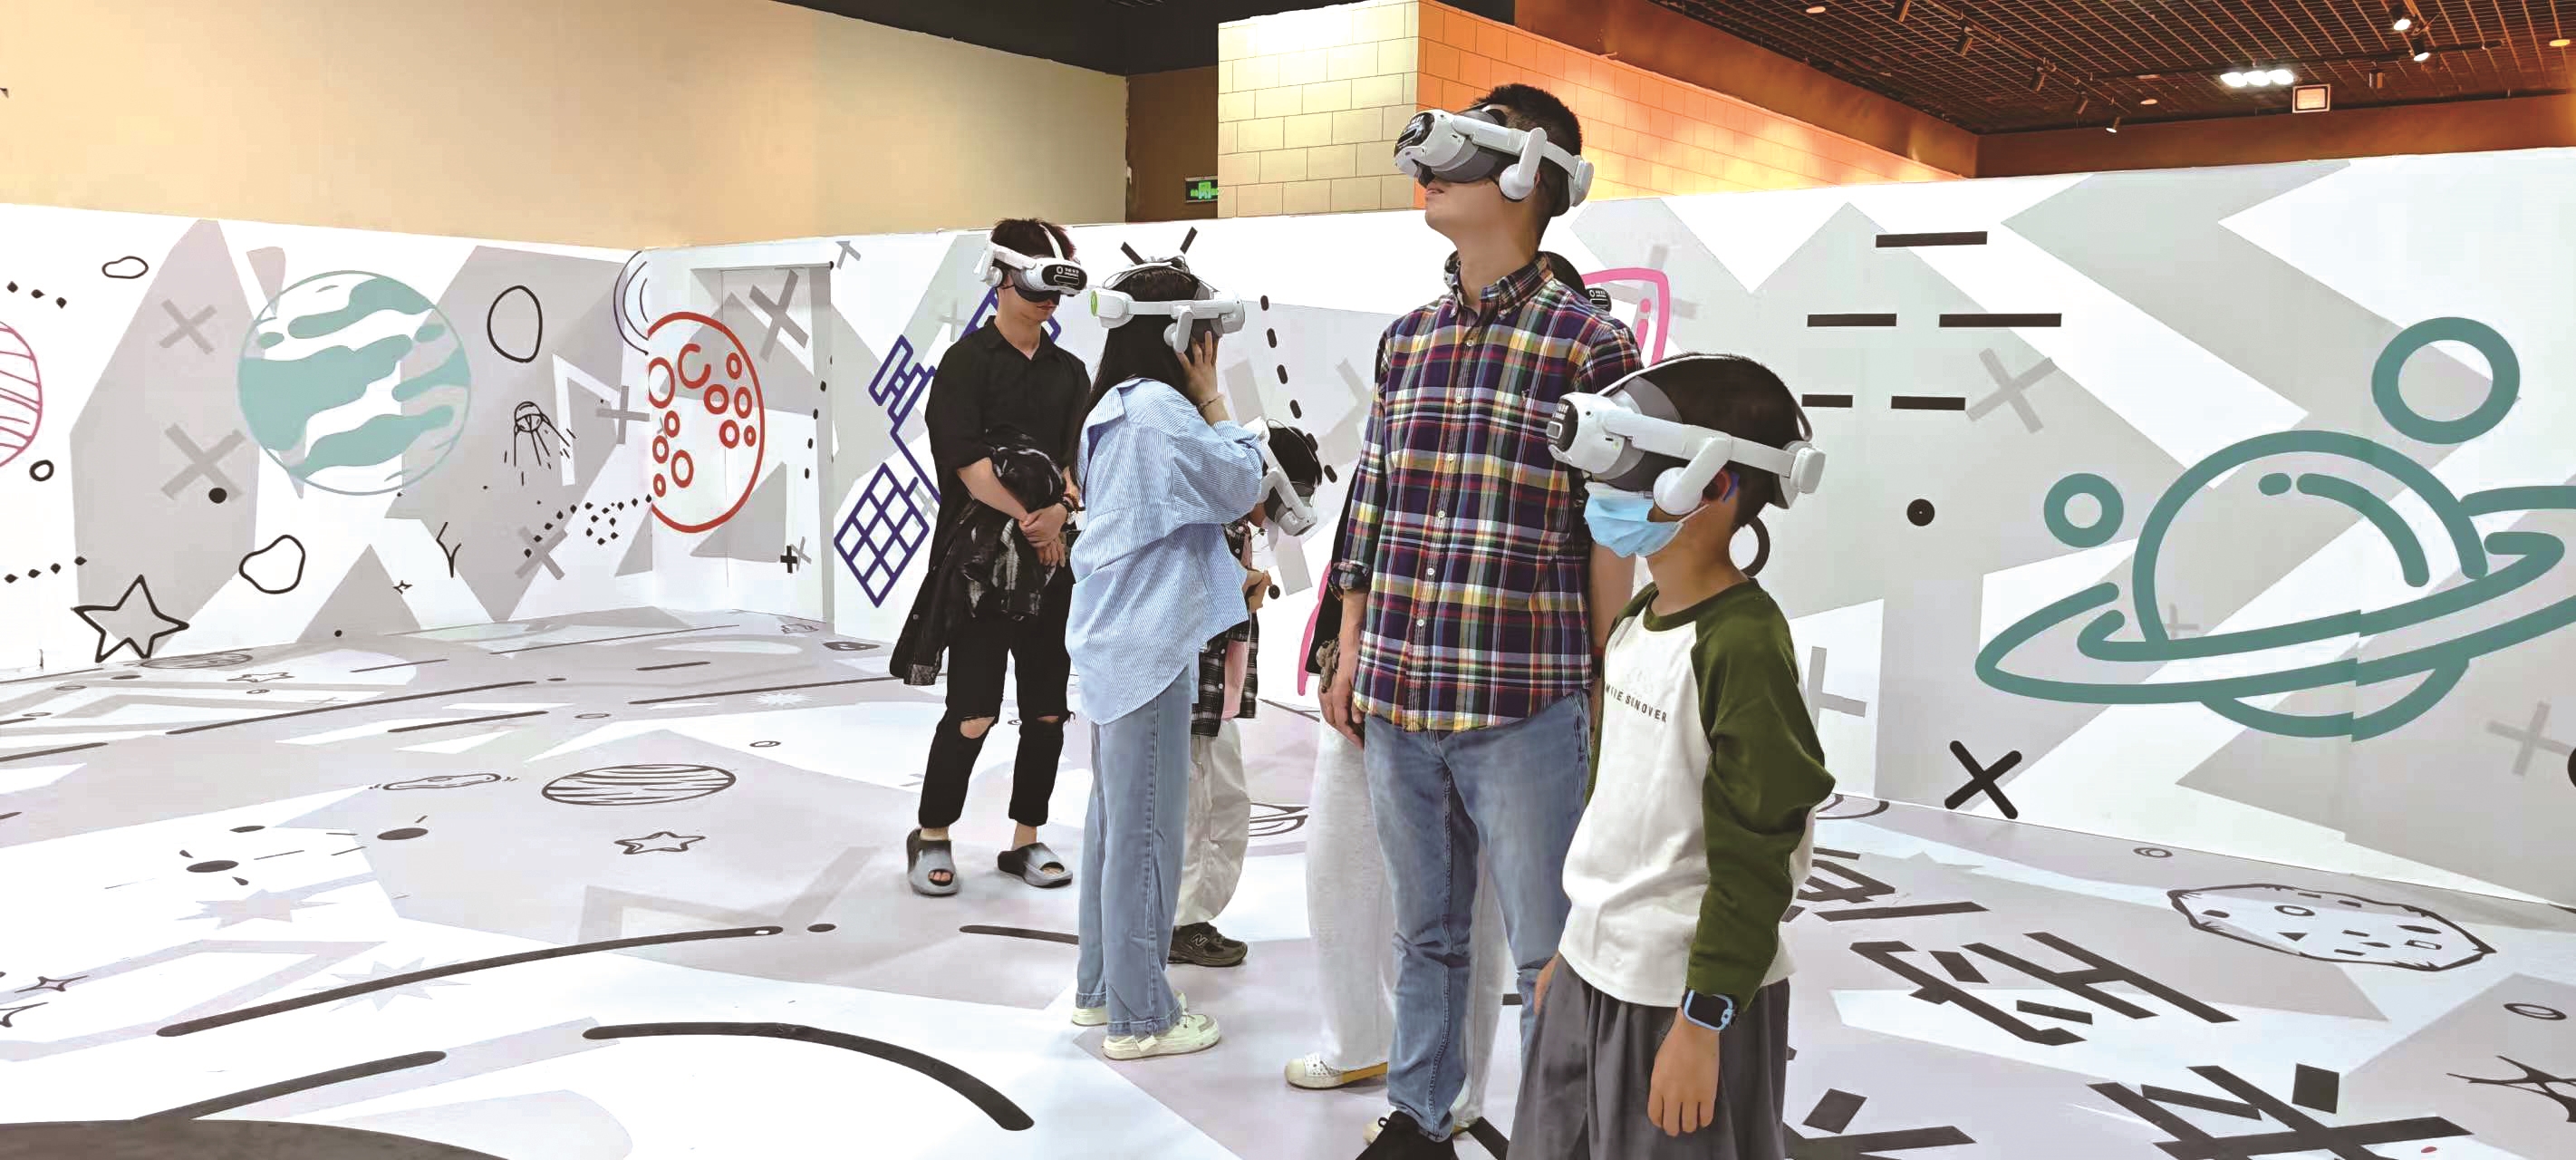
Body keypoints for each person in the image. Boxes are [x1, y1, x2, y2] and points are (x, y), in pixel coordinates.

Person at [1333, 84, 1642, 1157]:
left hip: (1523, 702)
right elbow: (1371, 503)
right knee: (1424, 931)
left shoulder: (1589, 344)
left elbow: (1609, 531)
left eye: (1458, 150)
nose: (1429, 170)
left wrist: (1605, 683)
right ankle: (1419, 1114)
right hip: (1399, 693)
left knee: (1549, 948)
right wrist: (1349, 645)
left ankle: (1559, 1135)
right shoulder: (1405, 340)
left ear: (1524, 171)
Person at [1520, 353, 1833, 1158]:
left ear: (1713, 484)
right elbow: (1618, 809)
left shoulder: (1742, 645)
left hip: (1678, 994)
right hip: (1594, 965)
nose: (1603, 489)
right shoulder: (1639, 618)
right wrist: (1574, 947)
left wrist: (1704, 1018)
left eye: (1629, 466)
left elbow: (1762, 847)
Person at [1063, 257, 1268, 1060]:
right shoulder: (1160, 410)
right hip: (1148, 646)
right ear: (1183, 335)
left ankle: (1099, 991)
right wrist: (1214, 397)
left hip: (1116, 638)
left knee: (1115, 828)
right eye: (1206, 334)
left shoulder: (1112, 405)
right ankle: (1140, 1017)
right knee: (1146, 835)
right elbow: (1240, 483)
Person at [903, 218, 1091, 898]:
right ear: (1002, 278)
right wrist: (1029, 519)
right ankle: (932, 833)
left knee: (1046, 711)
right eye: (1039, 286)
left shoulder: (1071, 373)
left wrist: (1059, 515)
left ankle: (1025, 838)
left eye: (1057, 290)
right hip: (979, 567)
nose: (1048, 303)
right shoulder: (966, 364)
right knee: (973, 710)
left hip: (1052, 564)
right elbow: (967, 465)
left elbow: (1076, 463)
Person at [1170, 516, 1262, 970]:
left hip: (1211, 691)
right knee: (1204, 809)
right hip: (1197, 691)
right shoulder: (1208, 525)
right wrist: (1244, 582)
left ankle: (1185, 918)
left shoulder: (1231, 528)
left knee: (1214, 803)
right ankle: (1184, 922)